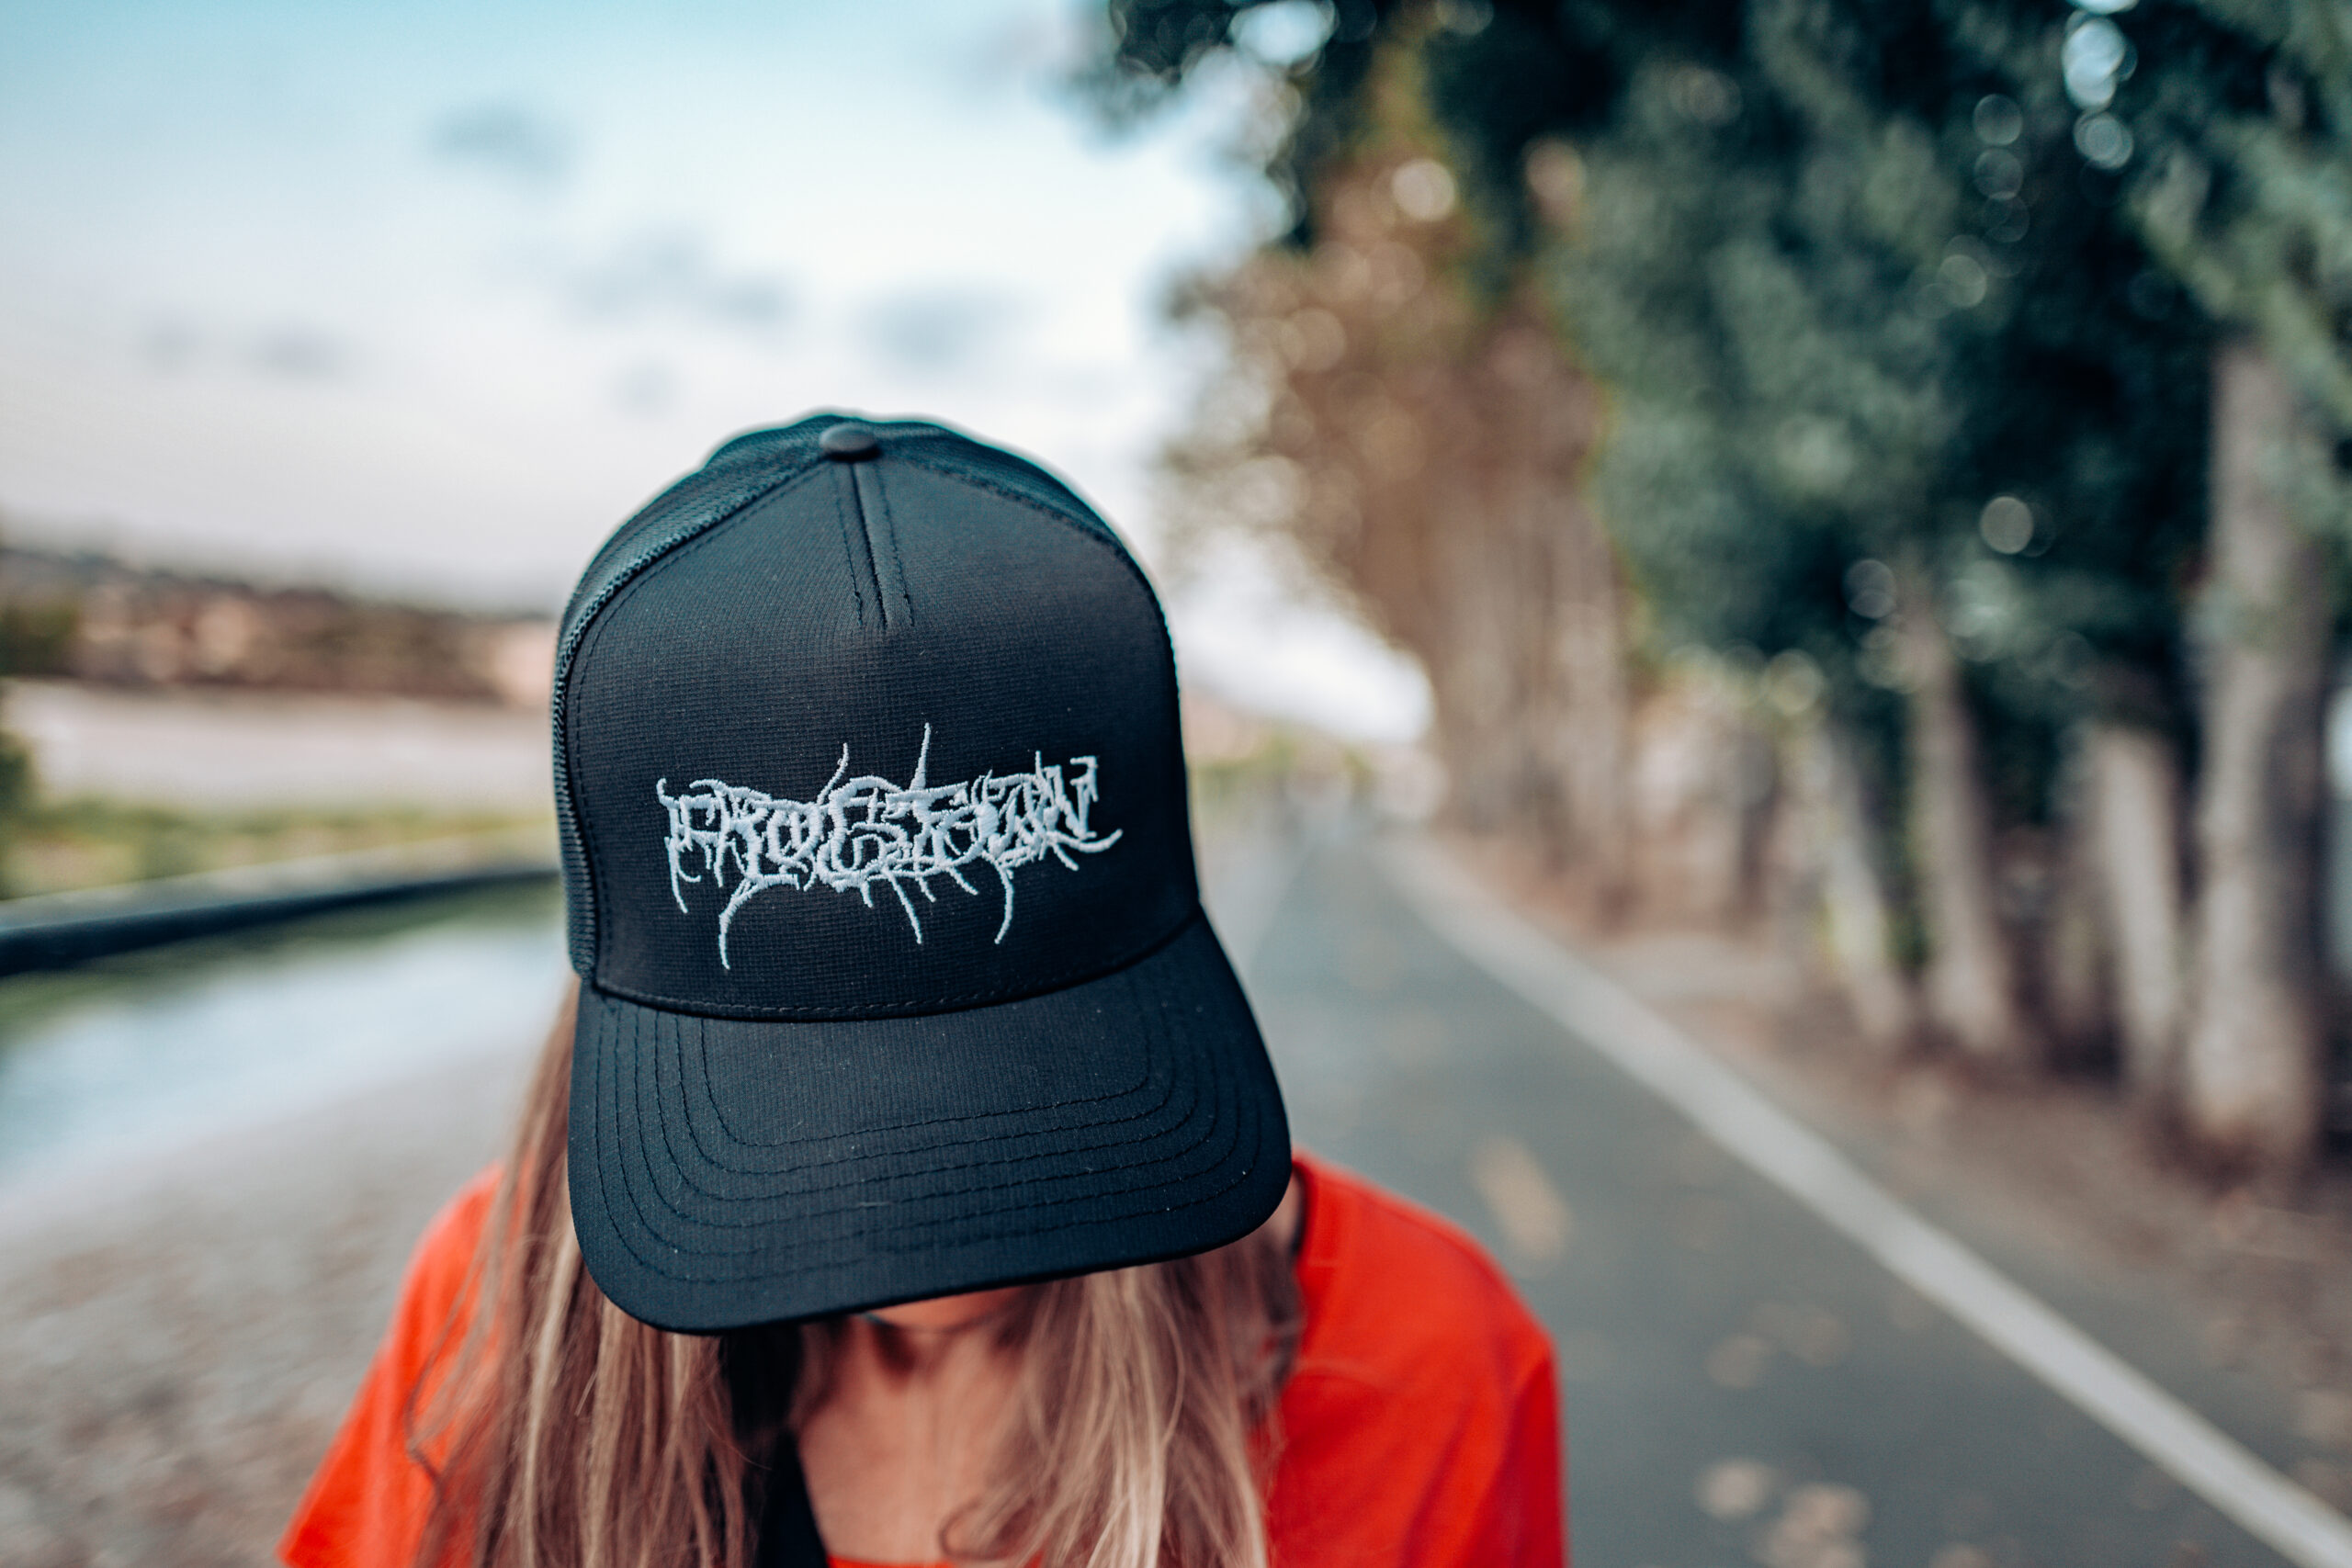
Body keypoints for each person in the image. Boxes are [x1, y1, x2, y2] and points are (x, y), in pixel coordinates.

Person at [279, 415, 1563, 1568]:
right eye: (812, 1100)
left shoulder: (1427, 1354)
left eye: (1014, 1074)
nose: (930, 1241)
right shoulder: (489, 1308)